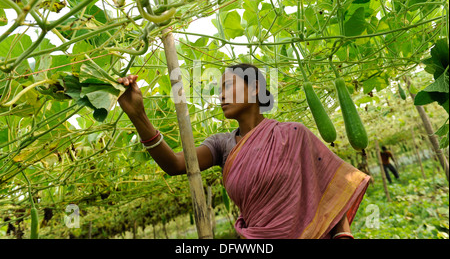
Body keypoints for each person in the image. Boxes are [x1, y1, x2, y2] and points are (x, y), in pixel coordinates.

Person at [117, 63, 370, 239]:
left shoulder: (294, 134)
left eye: (228, 86)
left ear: (256, 88)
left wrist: (343, 236)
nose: (221, 96)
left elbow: (332, 193)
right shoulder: (221, 144)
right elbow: (175, 165)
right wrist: (139, 116)